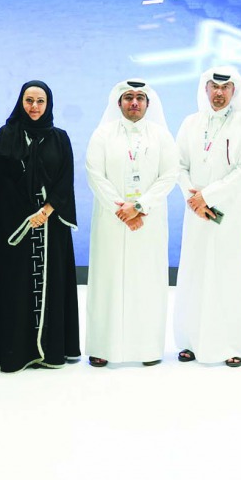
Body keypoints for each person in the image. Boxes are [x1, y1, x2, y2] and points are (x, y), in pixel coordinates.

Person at [0, 80, 80, 371]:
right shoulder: (6, 135)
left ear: (48, 104)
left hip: (51, 224)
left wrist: (47, 210)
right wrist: (23, 215)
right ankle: (15, 352)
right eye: (29, 100)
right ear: (21, 102)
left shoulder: (59, 138)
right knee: (15, 286)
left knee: (51, 284)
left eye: (40, 101)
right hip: (15, 227)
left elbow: (66, 178)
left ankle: (52, 350)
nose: (35, 107)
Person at [85, 79, 179, 367]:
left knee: (147, 282)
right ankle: (103, 347)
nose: (134, 102)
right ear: (119, 103)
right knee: (107, 282)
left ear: (148, 104)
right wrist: (122, 210)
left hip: (147, 222)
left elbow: (169, 175)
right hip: (112, 221)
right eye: (128, 97)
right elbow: (94, 174)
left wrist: (139, 207)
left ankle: (148, 349)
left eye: (140, 98)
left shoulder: (161, 136)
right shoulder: (102, 134)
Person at [174, 67, 241, 367]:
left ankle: (231, 345)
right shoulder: (190, 123)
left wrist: (207, 196)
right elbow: (178, 165)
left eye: (226, 88)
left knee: (229, 276)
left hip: (230, 214)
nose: (219, 93)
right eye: (214, 87)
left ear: (234, 91)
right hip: (196, 213)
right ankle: (189, 342)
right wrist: (192, 197)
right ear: (205, 89)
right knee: (195, 274)